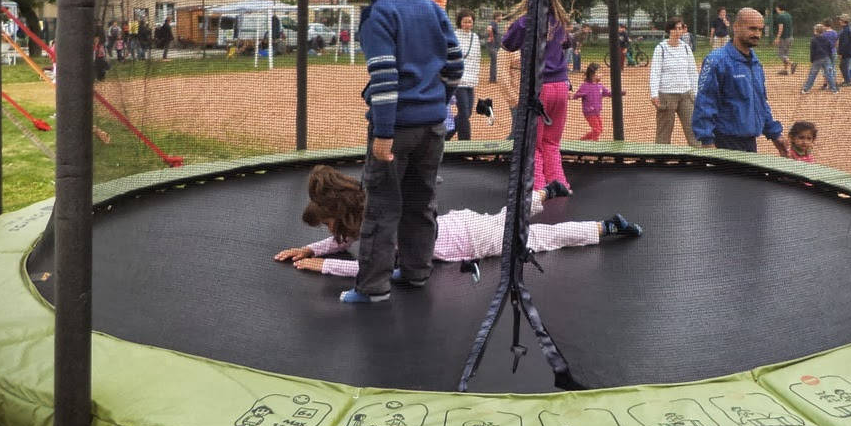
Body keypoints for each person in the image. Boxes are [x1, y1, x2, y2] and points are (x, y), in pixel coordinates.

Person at [343, 0, 464, 303]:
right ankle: (416, 271)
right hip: (433, 126)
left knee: (381, 205)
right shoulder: (432, 9)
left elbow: (384, 77)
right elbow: (455, 65)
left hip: (396, 128)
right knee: (421, 201)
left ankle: (372, 288)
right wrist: (436, 101)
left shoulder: (378, 13)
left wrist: (383, 134)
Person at [274, 166, 642, 279]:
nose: (329, 231)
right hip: (461, 224)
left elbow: (371, 268)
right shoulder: (368, 206)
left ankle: (607, 226)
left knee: (540, 238)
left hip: (470, 242)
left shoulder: (377, 223)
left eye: (326, 223)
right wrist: (310, 249)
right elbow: (344, 238)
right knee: (506, 218)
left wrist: (326, 267)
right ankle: (546, 193)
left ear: (338, 213)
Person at [501, 0, 573, 192]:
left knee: (534, 144)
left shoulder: (525, 22)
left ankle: (538, 190)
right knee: (552, 142)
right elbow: (566, 44)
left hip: (539, 89)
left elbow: (507, 45)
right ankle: (559, 185)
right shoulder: (559, 21)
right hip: (561, 86)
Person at [692, 7, 788, 155]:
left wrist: (775, 134)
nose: (757, 34)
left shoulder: (755, 63)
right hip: (724, 143)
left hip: (749, 142)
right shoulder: (717, 61)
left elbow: (760, 102)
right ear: (736, 27)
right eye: (752, 29)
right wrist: (707, 142)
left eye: (760, 30)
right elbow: (705, 103)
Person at [649, 18, 699, 146]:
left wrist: (696, 94)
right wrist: (654, 94)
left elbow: (693, 72)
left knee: (694, 131)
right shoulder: (661, 48)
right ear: (669, 30)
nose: (677, 31)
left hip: (686, 95)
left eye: (680, 28)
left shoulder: (686, 48)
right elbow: (655, 72)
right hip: (666, 96)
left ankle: (699, 157)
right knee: (663, 134)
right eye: (674, 29)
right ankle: (662, 156)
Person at [572, 62, 620, 141]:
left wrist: (618, 93)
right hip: (589, 112)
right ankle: (594, 143)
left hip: (597, 112)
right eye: (599, 72)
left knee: (599, 129)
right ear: (592, 74)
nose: (601, 74)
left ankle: (582, 140)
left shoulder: (600, 85)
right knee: (597, 130)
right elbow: (577, 95)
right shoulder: (585, 86)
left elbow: (608, 93)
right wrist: (570, 96)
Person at [454, 8, 480, 140]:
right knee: (464, 112)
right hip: (458, 81)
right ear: (459, 22)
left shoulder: (475, 38)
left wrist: (475, 77)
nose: (467, 24)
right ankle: (465, 143)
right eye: (465, 22)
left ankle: (445, 134)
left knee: (468, 113)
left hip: (470, 80)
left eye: (470, 22)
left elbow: (477, 58)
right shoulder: (454, 36)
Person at [801, 23, 839, 94]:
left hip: (817, 59)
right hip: (826, 58)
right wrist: (830, 58)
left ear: (816, 31)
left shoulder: (813, 39)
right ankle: (834, 90)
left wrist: (812, 60)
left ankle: (806, 89)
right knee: (829, 74)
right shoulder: (826, 39)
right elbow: (829, 49)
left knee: (812, 74)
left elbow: (812, 51)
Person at [772, 4, 796, 75]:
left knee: (781, 54)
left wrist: (777, 38)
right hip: (790, 37)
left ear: (778, 8)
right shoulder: (788, 15)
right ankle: (785, 70)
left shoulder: (780, 16)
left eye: (776, 8)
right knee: (786, 54)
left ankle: (792, 64)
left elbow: (781, 28)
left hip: (784, 38)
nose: (776, 10)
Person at [836, 15, 851, 87]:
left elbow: (845, 43)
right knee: (843, 66)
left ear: (844, 21)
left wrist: (840, 53)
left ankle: (848, 82)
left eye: (840, 20)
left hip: (846, 52)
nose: (839, 21)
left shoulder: (846, 30)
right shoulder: (847, 29)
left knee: (843, 66)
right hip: (848, 51)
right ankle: (847, 81)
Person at [486, 11, 502, 83]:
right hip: (492, 46)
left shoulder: (496, 24)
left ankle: (493, 78)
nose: (501, 18)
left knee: (494, 62)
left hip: (495, 46)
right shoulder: (493, 22)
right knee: (494, 62)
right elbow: (489, 29)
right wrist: (491, 37)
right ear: (497, 17)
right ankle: (492, 79)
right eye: (500, 16)